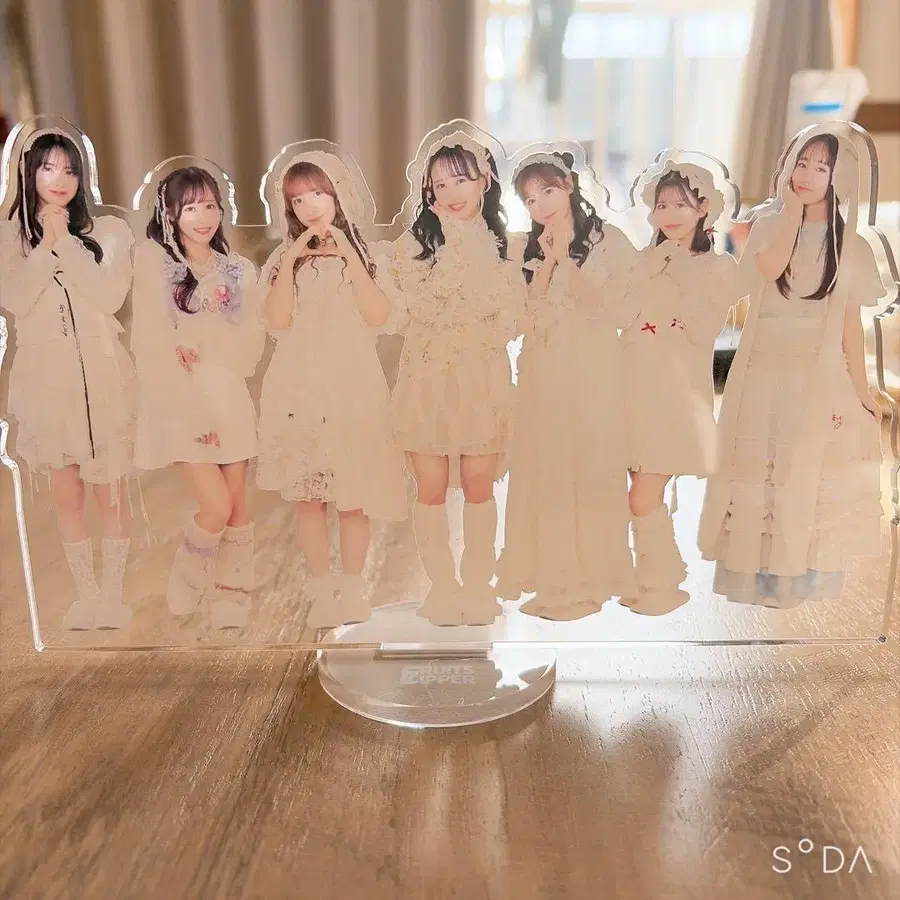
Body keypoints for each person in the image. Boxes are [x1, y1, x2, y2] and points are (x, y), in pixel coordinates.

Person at [699, 129, 886, 608]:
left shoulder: (851, 246)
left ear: (838, 179)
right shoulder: (769, 227)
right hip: (762, 368)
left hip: (816, 374)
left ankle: (797, 581)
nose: (807, 175)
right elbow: (768, 270)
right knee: (759, 470)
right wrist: (790, 215)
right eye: (801, 163)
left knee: (803, 471)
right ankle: (759, 578)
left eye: (821, 168)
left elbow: (849, 324)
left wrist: (862, 390)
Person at [257, 151, 407, 628]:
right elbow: (277, 320)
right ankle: (322, 590)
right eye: (298, 200)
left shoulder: (370, 255)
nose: (309, 207)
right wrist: (292, 259)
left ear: (338, 194)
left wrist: (347, 254)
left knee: (353, 493)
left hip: (352, 380)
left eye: (318, 193)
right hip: (299, 381)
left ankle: (353, 587)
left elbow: (379, 316)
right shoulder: (283, 260)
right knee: (309, 495)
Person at [0, 127, 136, 631]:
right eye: (48, 168)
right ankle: (87, 595)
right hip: (46, 378)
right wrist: (45, 246)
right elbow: (15, 299)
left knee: (109, 488)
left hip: (102, 371)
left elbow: (108, 298)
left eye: (70, 170)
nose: (59, 179)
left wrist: (68, 245)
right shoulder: (8, 237)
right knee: (66, 491)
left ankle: (114, 596)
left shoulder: (109, 233)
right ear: (28, 172)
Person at [390, 129, 526, 626]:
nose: (452, 192)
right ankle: (442, 588)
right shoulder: (412, 245)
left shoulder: (508, 246)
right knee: (429, 486)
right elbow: (422, 308)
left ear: (485, 180)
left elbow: (511, 316)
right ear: (428, 190)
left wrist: (475, 322)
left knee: (478, 484)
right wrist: (449, 244)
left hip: (482, 375)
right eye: (440, 184)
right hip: (427, 376)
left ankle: (477, 585)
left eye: (462, 180)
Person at [496, 150, 637, 619]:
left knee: (589, 464)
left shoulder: (609, 241)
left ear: (570, 185)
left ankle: (589, 583)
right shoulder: (525, 247)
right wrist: (546, 264)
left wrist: (564, 261)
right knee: (545, 465)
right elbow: (525, 315)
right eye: (530, 199)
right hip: (543, 367)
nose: (540, 204)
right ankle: (552, 579)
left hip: (592, 367)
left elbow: (613, 309)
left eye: (547, 191)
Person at [131, 164, 264, 629]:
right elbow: (148, 338)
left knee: (238, 506)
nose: (203, 217)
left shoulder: (238, 271)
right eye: (190, 208)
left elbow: (250, 346)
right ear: (170, 214)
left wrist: (201, 344)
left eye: (210, 206)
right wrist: (177, 354)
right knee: (217, 507)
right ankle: (190, 570)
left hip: (227, 393)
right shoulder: (155, 264)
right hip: (181, 400)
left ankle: (233, 592)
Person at [619, 160, 745, 616]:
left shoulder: (718, 268)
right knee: (639, 489)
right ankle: (657, 576)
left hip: (675, 394)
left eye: (681, 204)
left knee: (642, 494)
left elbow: (703, 328)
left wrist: (678, 273)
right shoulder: (641, 260)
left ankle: (660, 579)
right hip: (631, 385)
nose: (669, 214)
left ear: (703, 207)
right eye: (662, 206)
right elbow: (619, 316)